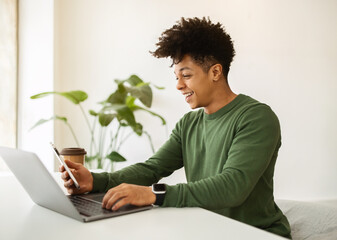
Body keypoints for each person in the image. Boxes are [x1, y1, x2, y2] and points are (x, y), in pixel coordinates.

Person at [60, 17, 291, 238]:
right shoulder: (189, 123)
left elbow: (233, 186)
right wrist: (96, 180)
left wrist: (154, 194)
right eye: (177, 76)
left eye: (187, 75)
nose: (179, 85)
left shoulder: (255, 117)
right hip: (210, 230)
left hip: (256, 234)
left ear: (216, 72)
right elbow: (153, 168)